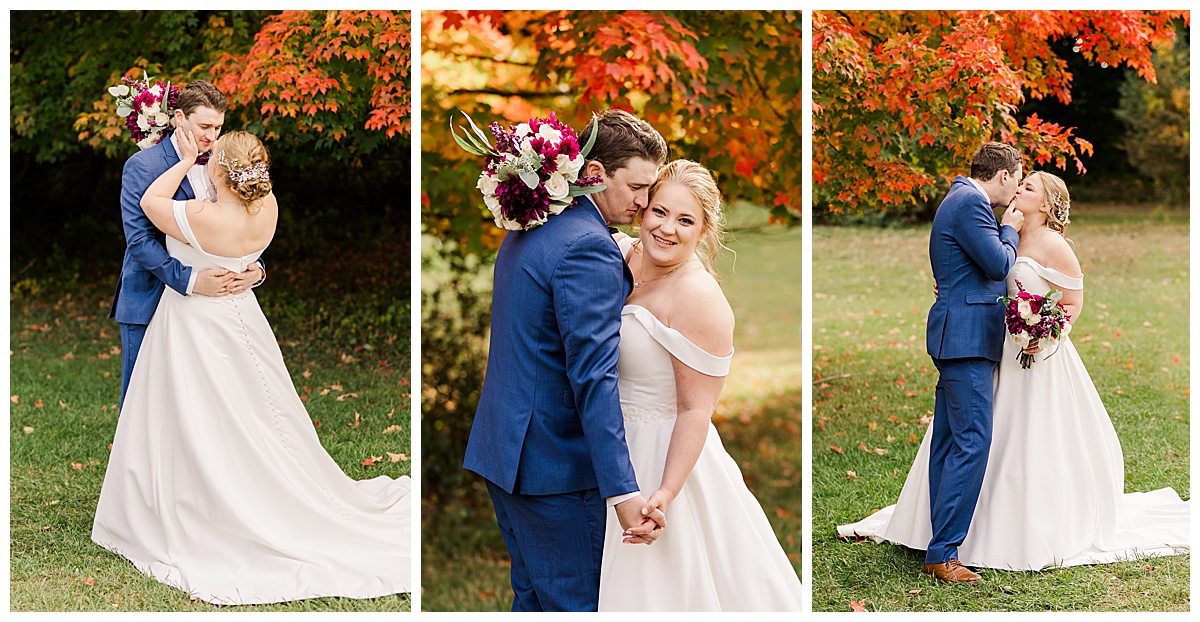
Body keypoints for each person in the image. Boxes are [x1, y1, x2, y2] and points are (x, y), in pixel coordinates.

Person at [91, 129, 410, 605]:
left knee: (197, 413)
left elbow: (152, 201)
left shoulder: (201, 214)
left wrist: (186, 158)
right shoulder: (269, 207)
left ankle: (199, 501)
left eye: (213, 156)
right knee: (251, 412)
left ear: (220, 168)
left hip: (194, 322)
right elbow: (253, 257)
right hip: (243, 317)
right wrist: (255, 271)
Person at [838, 171, 1190, 573]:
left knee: (1024, 439)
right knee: (979, 436)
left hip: (1037, 356)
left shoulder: (1053, 244)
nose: (1018, 190)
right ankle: (958, 529)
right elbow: (983, 272)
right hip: (995, 347)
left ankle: (1016, 527)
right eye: (1019, 184)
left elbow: (1073, 300)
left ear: (1045, 204)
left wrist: (1050, 332)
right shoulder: (1004, 232)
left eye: (1028, 188)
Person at [464, 108, 668, 612]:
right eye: (637, 187)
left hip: (506, 450)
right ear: (595, 174)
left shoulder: (535, 224)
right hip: (554, 469)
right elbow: (593, 379)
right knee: (573, 605)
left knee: (534, 601)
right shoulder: (587, 250)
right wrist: (623, 495)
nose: (645, 204)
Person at [598, 160, 802, 611]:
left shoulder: (698, 297)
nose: (667, 229)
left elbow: (695, 410)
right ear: (641, 210)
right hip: (609, 449)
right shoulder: (618, 254)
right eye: (659, 212)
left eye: (685, 220)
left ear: (704, 229)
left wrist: (665, 494)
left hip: (665, 460)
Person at [110, 80, 265, 407]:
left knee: (201, 400)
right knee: (143, 397)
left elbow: (244, 222)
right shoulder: (143, 166)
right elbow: (138, 240)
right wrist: (191, 281)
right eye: (205, 126)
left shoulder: (224, 164)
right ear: (179, 118)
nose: (212, 136)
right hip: (150, 297)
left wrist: (255, 269)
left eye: (219, 127)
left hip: (211, 309)